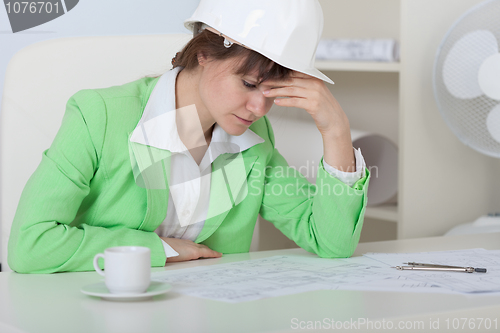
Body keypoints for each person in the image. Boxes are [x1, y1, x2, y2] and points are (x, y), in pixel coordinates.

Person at [8, 0, 370, 273]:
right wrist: (159, 249)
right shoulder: (99, 116)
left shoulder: (254, 139)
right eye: (248, 84)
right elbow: (30, 246)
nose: (260, 108)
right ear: (203, 55)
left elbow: (329, 241)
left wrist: (335, 129)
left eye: (273, 93)